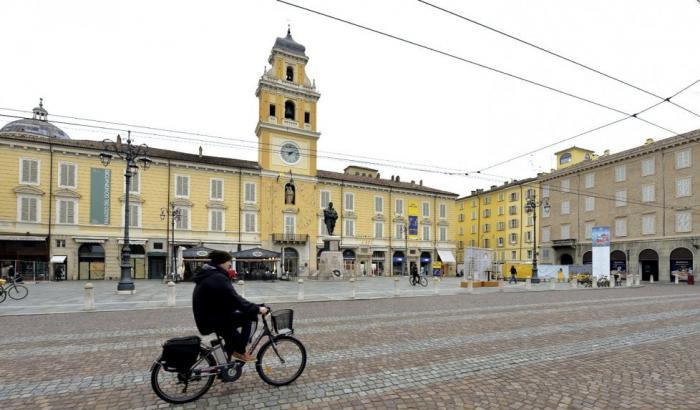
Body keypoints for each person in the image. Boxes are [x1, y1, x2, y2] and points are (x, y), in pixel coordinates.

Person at [192, 250, 268, 363]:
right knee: (250, 318)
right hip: (213, 319)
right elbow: (234, 299)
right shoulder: (217, 277)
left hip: (210, 317)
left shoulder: (210, 274)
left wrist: (253, 306)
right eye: (229, 262)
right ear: (221, 262)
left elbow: (227, 299)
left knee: (233, 327)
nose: (230, 265)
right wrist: (256, 309)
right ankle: (240, 351)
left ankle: (226, 364)